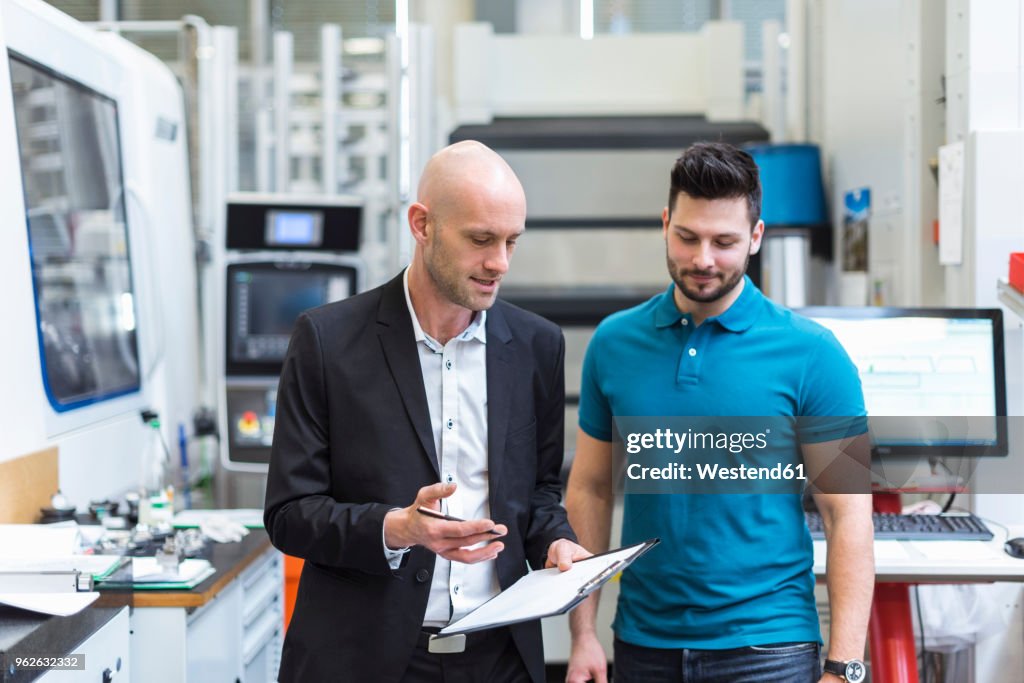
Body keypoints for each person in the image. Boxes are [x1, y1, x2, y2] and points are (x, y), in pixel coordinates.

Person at [265, 140, 588, 683]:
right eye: (481, 240)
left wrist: (555, 541)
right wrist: (399, 528)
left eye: (512, 241)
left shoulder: (537, 345)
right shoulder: (327, 340)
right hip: (362, 659)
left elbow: (536, 495)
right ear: (422, 225)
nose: (499, 263)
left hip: (500, 659)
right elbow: (289, 515)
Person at [564, 142, 875, 683]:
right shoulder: (613, 344)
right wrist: (584, 633)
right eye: (687, 237)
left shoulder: (814, 353)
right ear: (665, 223)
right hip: (642, 643)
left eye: (724, 241)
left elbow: (847, 513)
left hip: (770, 648)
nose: (703, 259)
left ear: (756, 238)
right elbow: (590, 489)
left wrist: (844, 667)